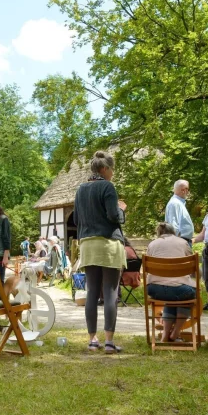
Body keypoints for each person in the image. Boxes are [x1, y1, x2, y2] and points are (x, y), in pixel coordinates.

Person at [72, 150, 127, 354]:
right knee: (110, 293)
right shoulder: (108, 187)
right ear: (104, 169)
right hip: (108, 243)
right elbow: (114, 216)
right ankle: (110, 342)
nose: (112, 173)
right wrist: (122, 209)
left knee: (92, 293)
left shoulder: (80, 190)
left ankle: (92, 340)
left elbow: (76, 220)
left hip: (87, 244)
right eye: (112, 170)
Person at [146, 222, 196, 342]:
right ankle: (175, 333)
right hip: (179, 290)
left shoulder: (152, 244)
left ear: (159, 233)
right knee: (186, 293)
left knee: (171, 298)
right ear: (174, 232)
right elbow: (193, 269)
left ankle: (165, 336)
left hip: (154, 290)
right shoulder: (183, 243)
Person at [165, 180, 194, 246]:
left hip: (182, 241)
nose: (188, 192)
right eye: (188, 189)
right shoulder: (175, 203)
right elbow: (173, 226)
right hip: (180, 242)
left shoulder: (178, 203)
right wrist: (176, 244)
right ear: (184, 190)